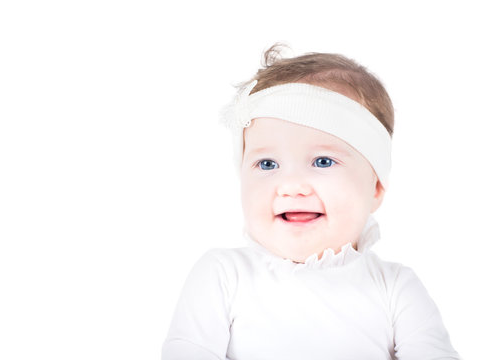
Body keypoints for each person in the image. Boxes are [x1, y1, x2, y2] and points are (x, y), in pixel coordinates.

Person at [162, 44, 461, 360]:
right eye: (267, 164)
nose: (290, 186)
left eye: (322, 161)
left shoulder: (396, 288)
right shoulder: (223, 275)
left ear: (375, 187)